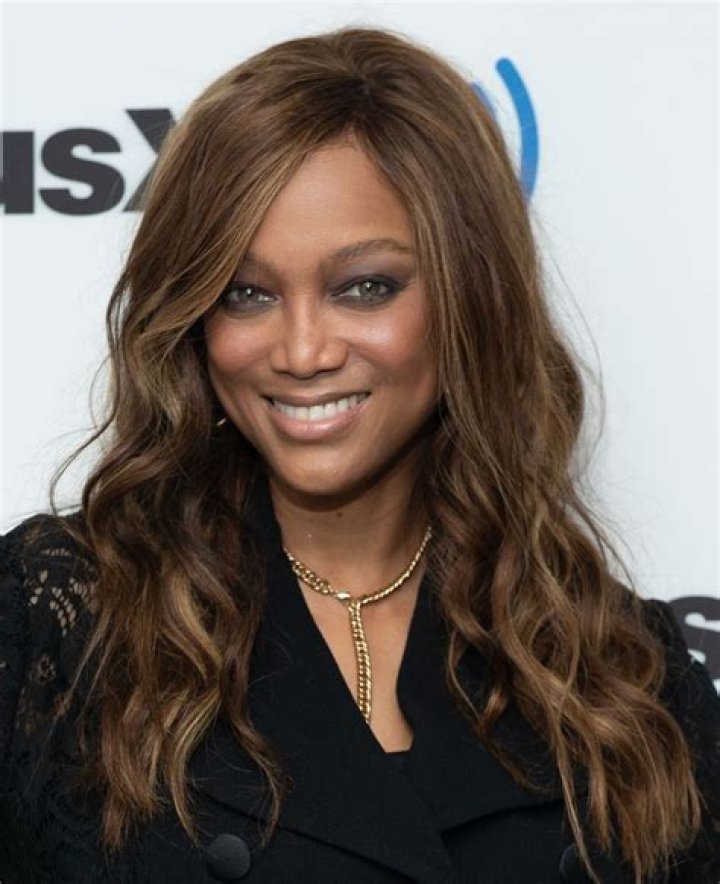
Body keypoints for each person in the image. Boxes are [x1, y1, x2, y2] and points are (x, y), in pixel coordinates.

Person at [0, 24, 717, 884]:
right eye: (246, 293)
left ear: (469, 297)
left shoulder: (624, 670)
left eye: (365, 287)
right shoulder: (57, 621)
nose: (303, 352)